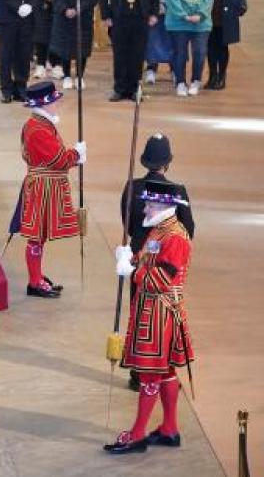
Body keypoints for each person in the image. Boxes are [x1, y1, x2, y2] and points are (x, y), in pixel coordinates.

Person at [106, 179, 194, 455]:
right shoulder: (160, 229)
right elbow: (149, 260)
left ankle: (137, 435)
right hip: (151, 310)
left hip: (160, 313)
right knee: (165, 371)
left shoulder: (175, 237)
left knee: (150, 375)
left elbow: (161, 279)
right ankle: (169, 428)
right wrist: (131, 258)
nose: (145, 209)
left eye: (150, 205)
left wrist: (132, 272)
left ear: (166, 206)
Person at [13, 80, 85, 298]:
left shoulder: (40, 124)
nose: (57, 105)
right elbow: (59, 160)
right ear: (43, 104)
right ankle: (34, 282)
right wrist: (76, 155)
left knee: (40, 236)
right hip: (43, 189)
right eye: (53, 102)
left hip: (45, 186)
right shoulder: (38, 129)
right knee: (36, 236)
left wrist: (75, 156)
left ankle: (36, 276)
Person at [101, 0, 158, 102]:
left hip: (141, 16)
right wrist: (105, 15)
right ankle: (119, 88)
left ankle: (134, 89)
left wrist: (154, 13)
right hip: (118, 16)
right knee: (119, 53)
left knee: (138, 53)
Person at [162, 0, 213, 97]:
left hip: (200, 23)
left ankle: (196, 81)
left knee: (200, 52)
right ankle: (180, 83)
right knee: (180, 53)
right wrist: (183, 15)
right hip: (178, 22)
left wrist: (200, 14)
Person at [48, 0, 97, 91]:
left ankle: (80, 76)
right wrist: (64, 9)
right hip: (64, 17)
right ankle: (67, 76)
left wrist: (79, 8)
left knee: (82, 47)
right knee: (65, 48)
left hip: (83, 16)